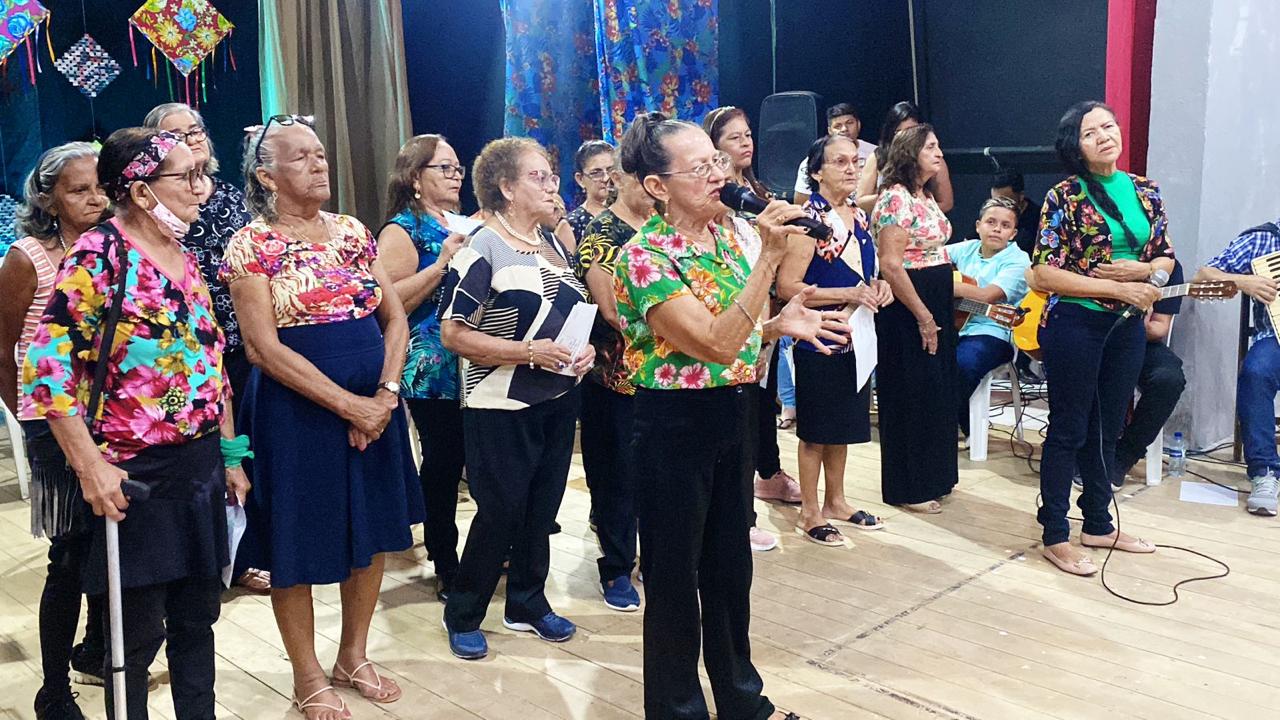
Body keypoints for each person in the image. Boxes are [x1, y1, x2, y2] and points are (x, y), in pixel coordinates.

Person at [614, 111, 846, 720]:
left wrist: (775, 326)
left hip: (734, 410)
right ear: (658, 186)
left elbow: (735, 334)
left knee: (729, 567)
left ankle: (743, 701)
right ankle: (677, 709)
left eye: (715, 162)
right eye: (699, 168)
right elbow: (714, 344)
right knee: (673, 577)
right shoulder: (643, 257)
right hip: (673, 424)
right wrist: (769, 260)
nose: (718, 175)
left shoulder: (726, 236)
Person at [22, 128, 249, 720]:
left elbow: (210, 362)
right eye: (186, 176)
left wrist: (230, 455)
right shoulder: (100, 255)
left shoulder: (185, 257)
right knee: (135, 637)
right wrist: (90, 469)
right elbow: (46, 371)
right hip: (134, 473)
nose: (202, 188)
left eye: (201, 174)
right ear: (142, 191)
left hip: (199, 466)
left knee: (198, 619)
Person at [223, 115, 424, 718]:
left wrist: (385, 395)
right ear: (267, 176)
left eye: (320, 153)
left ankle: (353, 655)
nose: (319, 163)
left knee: (374, 530)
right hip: (295, 413)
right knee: (297, 538)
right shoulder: (250, 244)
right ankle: (307, 672)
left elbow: (395, 318)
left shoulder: (353, 231)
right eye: (302, 157)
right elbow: (262, 348)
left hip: (376, 407)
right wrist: (349, 405)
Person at [437, 137, 594, 660]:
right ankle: (464, 611)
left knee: (542, 508)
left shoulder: (552, 242)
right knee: (500, 511)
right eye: (537, 177)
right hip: (499, 402)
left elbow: (568, 313)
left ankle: (527, 602)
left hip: (557, 395)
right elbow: (453, 333)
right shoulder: (483, 246)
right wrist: (527, 352)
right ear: (506, 187)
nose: (551, 185)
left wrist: (584, 350)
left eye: (551, 175)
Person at [1032, 101, 1173, 575]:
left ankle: (1097, 523)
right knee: (1069, 427)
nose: (1104, 136)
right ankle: (1055, 533)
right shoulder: (1064, 196)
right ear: (1076, 147)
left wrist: (1148, 272)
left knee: (1107, 427)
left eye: (1108, 126)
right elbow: (1043, 273)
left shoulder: (1146, 191)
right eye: (1090, 133)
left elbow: (1165, 254)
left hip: (1126, 326)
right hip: (1075, 322)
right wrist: (1117, 288)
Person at [142, 102, 267, 595]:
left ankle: (246, 552)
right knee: (206, 458)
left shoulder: (230, 196)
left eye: (195, 129)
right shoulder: (155, 211)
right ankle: (212, 560)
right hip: (185, 354)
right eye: (177, 134)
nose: (191, 138)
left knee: (244, 451)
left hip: (241, 342)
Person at [1, 142, 107, 720]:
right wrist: (27, 419)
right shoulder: (29, 258)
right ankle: (53, 688)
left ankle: (97, 649)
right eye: (79, 190)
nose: (95, 199)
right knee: (69, 552)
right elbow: (2, 349)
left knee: (112, 543)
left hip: (116, 416)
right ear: (48, 199)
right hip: (52, 420)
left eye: (100, 187)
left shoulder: (114, 247)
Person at [777, 134, 892, 546]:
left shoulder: (858, 215)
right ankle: (809, 510)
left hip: (856, 334)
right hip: (818, 334)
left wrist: (879, 286)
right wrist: (847, 293)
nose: (850, 169)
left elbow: (865, 273)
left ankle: (836, 500)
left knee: (843, 424)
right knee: (816, 429)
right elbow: (787, 285)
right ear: (816, 172)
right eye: (839, 162)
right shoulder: (807, 220)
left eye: (854, 161)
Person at [703, 105, 798, 551]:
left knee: (758, 408)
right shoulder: (716, 209)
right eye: (734, 137)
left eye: (747, 135)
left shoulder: (759, 193)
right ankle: (738, 516)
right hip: (729, 318)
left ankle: (755, 493)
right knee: (736, 422)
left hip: (762, 313)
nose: (746, 143)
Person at [377, 134, 467, 601]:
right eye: (444, 168)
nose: (455, 176)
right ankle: (445, 557)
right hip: (431, 364)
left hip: (478, 356)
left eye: (458, 168)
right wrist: (443, 263)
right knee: (445, 462)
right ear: (415, 177)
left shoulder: (466, 222)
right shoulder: (402, 230)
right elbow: (388, 302)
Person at [574, 151, 654, 612]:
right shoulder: (601, 233)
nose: (652, 187)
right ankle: (617, 566)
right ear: (619, 179)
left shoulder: (662, 227)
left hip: (663, 375)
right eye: (642, 178)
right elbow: (611, 311)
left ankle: (655, 557)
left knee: (658, 474)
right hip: (615, 376)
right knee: (616, 477)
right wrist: (681, 323)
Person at [871, 124, 959, 514]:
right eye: (931, 147)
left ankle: (936, 476)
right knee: (911, 392)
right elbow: (891, 265)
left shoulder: (924, 195)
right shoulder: (894, 198)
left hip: (935, 296)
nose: (939, 153)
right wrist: (923, 315)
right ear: (911, 154)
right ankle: (909, 485)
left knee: (935, 390)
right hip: (909, 305)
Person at [1196, 220, 1280, 515]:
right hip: (1275, 339)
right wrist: (1243, 282)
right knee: (1256, 373)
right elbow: (1204, 275)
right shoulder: (1264, 240)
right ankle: (1265, 472)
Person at [951, 196, 1031, 437]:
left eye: (1005, 226)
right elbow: (925, 263)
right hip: (953, 326)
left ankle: (942, 426)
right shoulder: (965, 249)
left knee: (962, 364)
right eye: (991, 222)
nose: (997, 229)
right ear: (978, 226)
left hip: (993, 331)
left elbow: (986, 296)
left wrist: (942, 285)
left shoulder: (1018, 261)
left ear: (1013, 233)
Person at [1109, 260, 1186, 487]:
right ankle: (1081, 450)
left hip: (1137, 340)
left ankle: (1122, 457)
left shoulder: (1169, 268)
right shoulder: (1098, 249)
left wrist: (1139, 322)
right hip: (1089, 335)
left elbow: (1160, 326)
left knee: (1168, 379)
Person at [856, 101, 954, 214]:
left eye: (911, 131)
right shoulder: (878, 156)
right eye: (900, 132)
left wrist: (916, 213)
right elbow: (861, 200)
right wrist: (892, 199)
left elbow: (946, 202)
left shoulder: (933, 159)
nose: (906, 137)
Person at [792, 103, 877, 205]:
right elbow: (801, 201)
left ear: (858, 125)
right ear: (830, 131)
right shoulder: (814, 160)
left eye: (849, 123)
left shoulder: (876, 153)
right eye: (838, 126)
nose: (844, 129)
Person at [566, 140, 615, 243]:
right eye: (596, 173)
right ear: (580, 179)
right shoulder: (572, 224)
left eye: (611, 170)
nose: (606, 178)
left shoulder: (632, 213)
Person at [990, 168, 1042, 256]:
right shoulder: (989, 213)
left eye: (1005, 201)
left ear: (1021, 196)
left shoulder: (1039, 219)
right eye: (995, 201)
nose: (1000, 206)